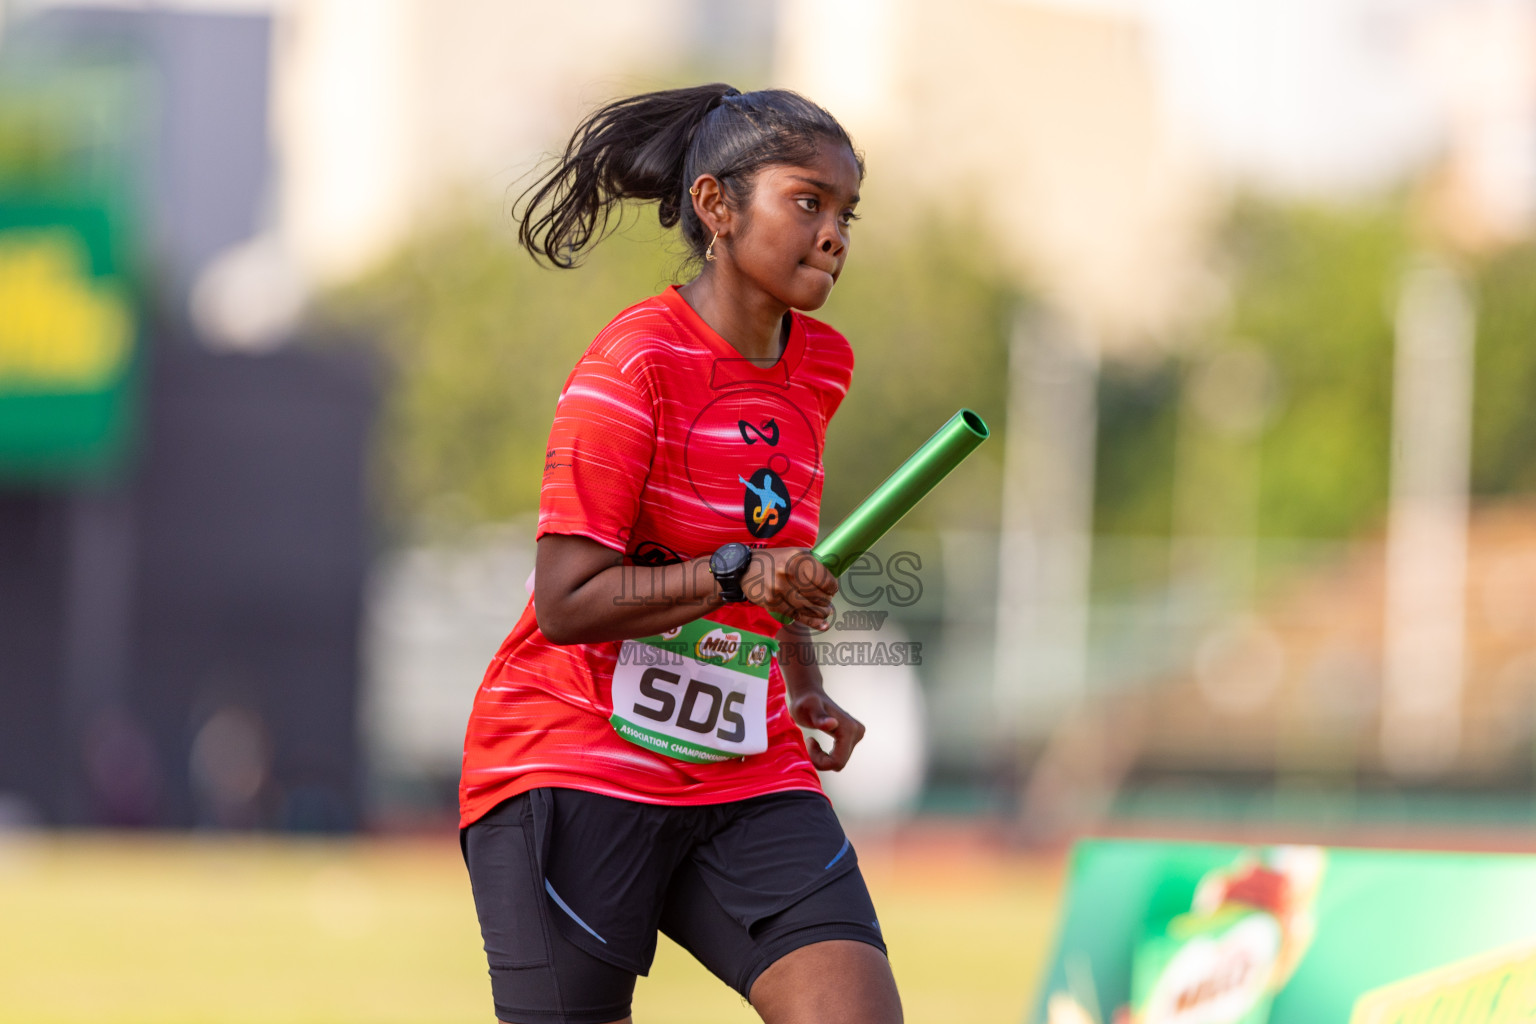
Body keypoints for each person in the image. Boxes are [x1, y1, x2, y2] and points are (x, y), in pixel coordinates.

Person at [459, 83, 902, 1024]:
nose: (834, 235)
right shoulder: (635, 365)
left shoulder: (822, 365)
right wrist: (735, 572)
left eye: (846, 213)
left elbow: (774, 546)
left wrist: (802, 678)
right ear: (716, 206)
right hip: (574, 759)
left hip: (747, 765)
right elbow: (568, 602)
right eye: (807, 202)